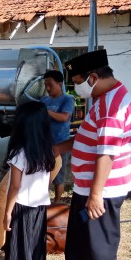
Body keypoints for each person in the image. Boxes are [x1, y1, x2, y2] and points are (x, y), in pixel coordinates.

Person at [59, 49, 131, 260]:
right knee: (84, 238)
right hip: (89, 186)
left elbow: (106, 152)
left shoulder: (110, 107)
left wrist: (96, 195)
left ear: (93, 77)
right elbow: (88, 138)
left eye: (78, 81)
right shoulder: (107, 98)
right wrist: (60, 148)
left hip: (103, 188)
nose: (77, 88)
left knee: (100, 242)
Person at [2, 101, 56, 260]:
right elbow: (48, 180)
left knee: (20, 245)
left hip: (21, 205)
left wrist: (7, 212)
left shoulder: (19, 154)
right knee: (32, 243)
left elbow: (15, 187)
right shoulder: (47, 151)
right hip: (39, 205)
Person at [40, 70, 75, 203]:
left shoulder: (67, 99)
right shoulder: (44, 100)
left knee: (59, 173)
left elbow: (65, 117)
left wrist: (46, 111)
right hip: (44, 142)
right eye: (45, 85)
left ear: (60, 83)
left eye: (50, 85)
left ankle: (57, 201)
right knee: (44, 172)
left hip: (61, 143)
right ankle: (43, 199)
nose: (47, 88)